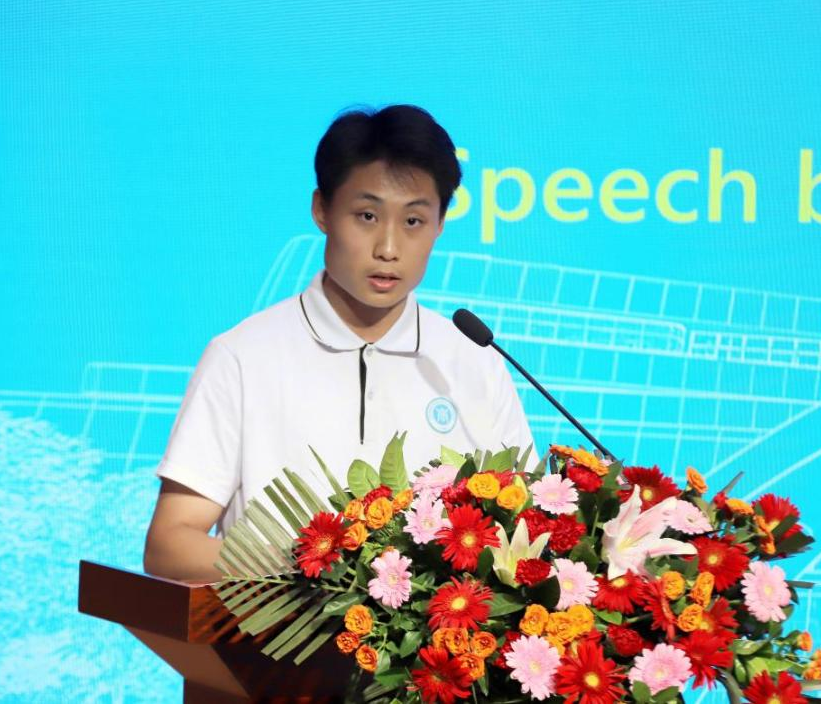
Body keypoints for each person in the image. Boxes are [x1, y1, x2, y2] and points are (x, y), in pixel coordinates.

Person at [143, 105, 536, 583]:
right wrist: (314, 568)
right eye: (367, 216)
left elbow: (526, 531)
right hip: (281, 626)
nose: (388, 248)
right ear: (322, 210)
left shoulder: (473, 359)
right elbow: (170, 544)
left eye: (413, 221)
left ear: (440, 224)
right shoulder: (243, 357)